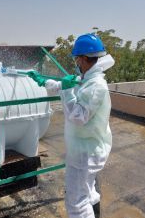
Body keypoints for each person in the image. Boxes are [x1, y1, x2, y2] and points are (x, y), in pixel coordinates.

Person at [29, 33, 115, 218]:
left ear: (84, 58)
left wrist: (67, 90)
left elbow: (78, 117)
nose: (76, 62)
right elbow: (65, 86)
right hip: (87, 149)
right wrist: (44, 81)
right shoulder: (87, 78)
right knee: (88, 193)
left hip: (86, 153)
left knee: (76, 203)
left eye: (76, 58)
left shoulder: (96, 86)